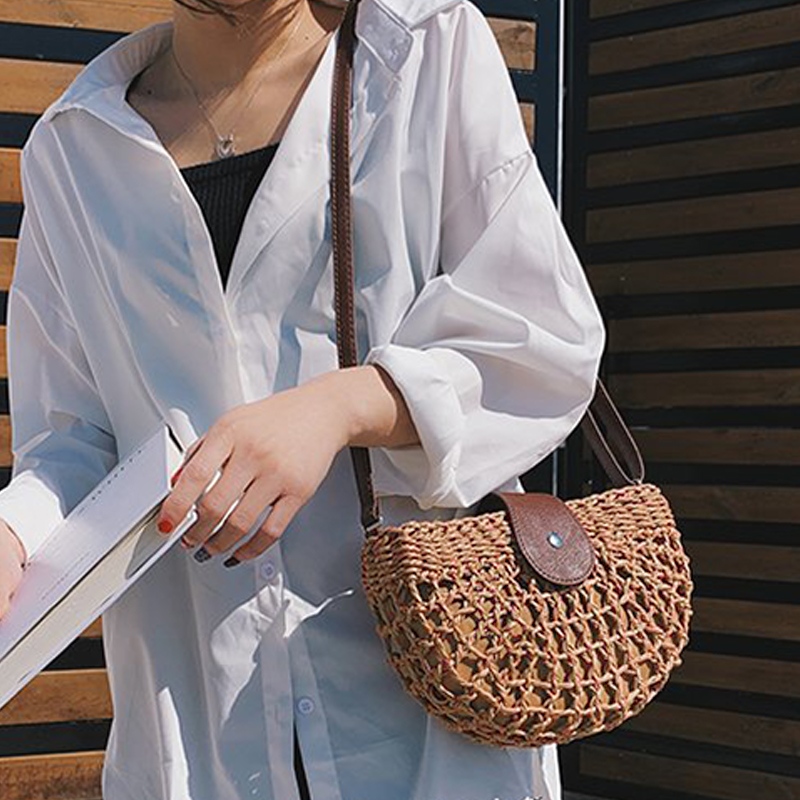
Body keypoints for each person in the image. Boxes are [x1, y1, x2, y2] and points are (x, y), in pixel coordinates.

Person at [0, 0, 607, 797]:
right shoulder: (76, 145)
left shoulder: (422, 49)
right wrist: (15, 532)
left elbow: (543, 339)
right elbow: (76, 435)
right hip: (199, 711)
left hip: (427, 692)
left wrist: (343, 407)